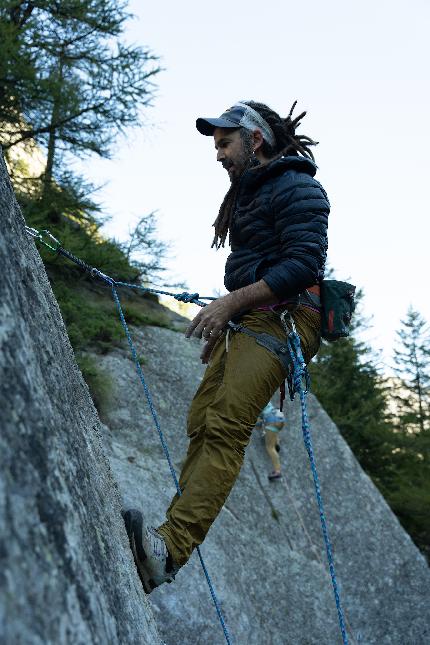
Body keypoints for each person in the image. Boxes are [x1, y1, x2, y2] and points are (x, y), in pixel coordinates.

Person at [123, 100, 329, 593]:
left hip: (285, 319)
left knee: (223, 429)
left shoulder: (300, 187)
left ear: (254, 140)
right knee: (203, 422)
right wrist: (230, 314)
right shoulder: (248, 196)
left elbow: (303, 265)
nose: (218, 155)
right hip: (251, 320)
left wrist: (229, 304)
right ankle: (162, 545)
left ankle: (170, 548)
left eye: (224, 143)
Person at [257, 401, 285, 480]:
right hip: (279, 416)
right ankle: (276, 442)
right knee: (272, 431)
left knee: (270, 447)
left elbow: (258, 422)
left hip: (271, 419)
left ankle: (277, 472)